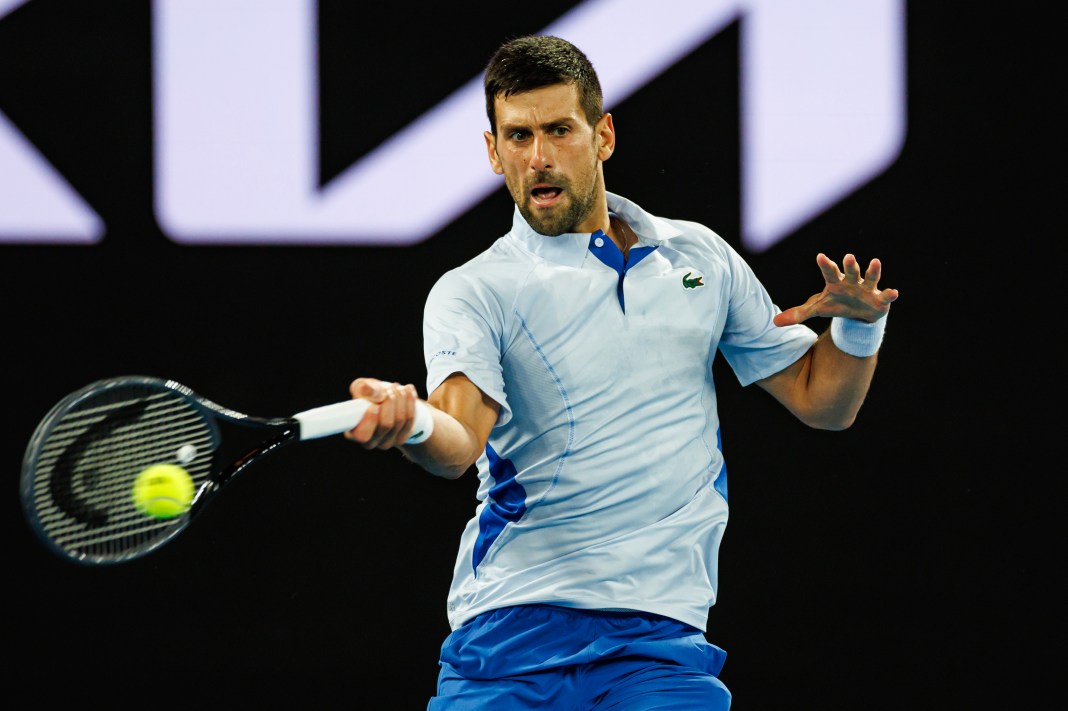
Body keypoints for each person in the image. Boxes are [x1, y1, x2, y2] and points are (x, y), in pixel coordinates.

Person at [343, 34, 898, 710]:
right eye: (517, 136)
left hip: (657, 649)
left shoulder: (700, 258)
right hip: (509, 638)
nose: (539, 157)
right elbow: (458, 439)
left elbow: (823, 401)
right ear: (492, 151)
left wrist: (857, 329)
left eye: (559, 130)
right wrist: (412, 424)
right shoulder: (474, 291)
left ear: (603, 136)